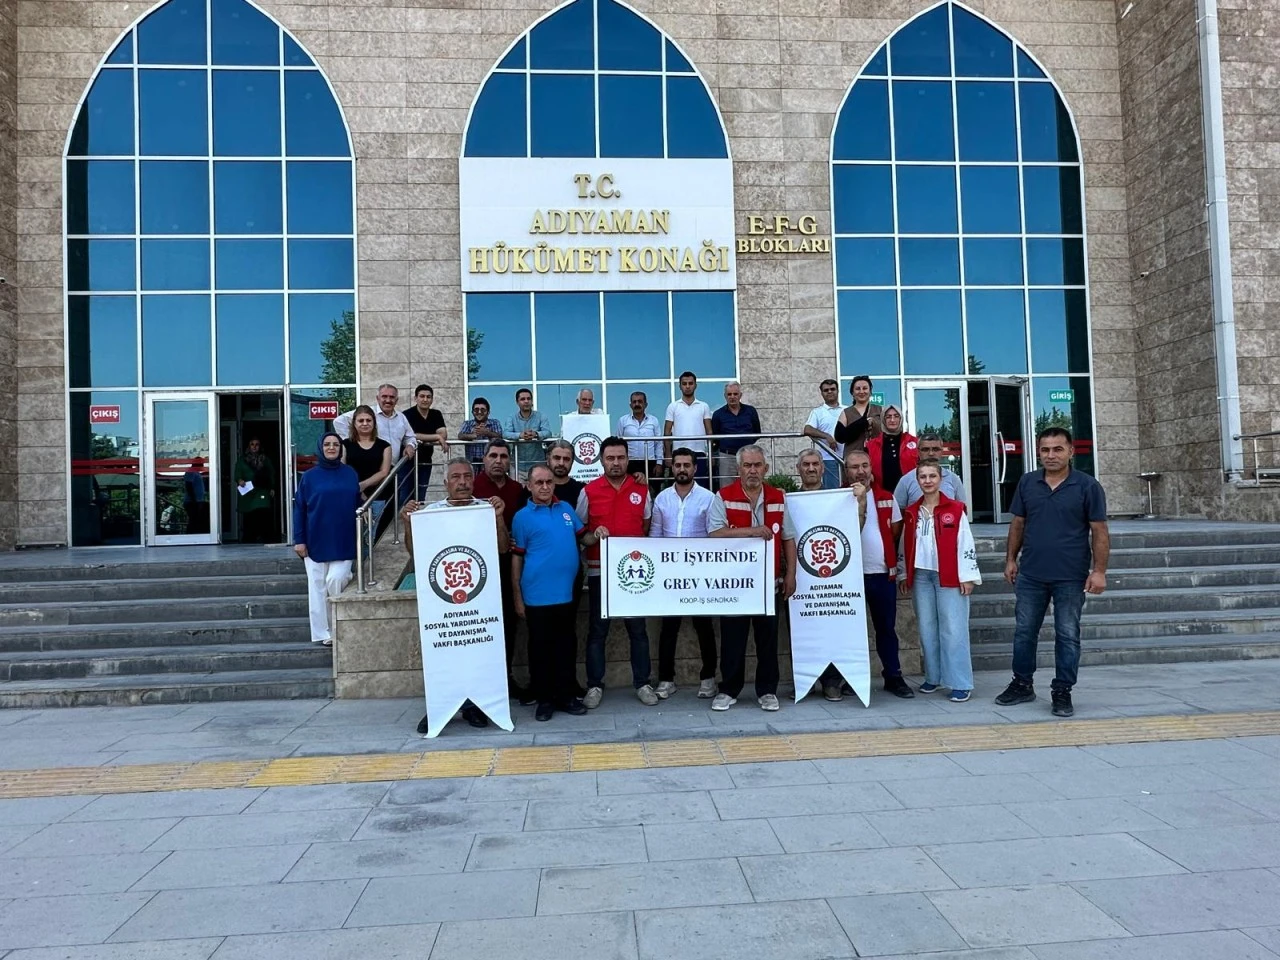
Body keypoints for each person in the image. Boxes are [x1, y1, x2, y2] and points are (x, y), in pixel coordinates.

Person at [996, 427, 1109, 718]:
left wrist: (1099, 571)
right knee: (1024, 632)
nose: (1051, 455)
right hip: (1031, 574)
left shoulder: (1087, 486)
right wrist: (1010, 559)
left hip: (1070, 576)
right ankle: (1022, 684)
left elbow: (1099, 531)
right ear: (1038, 453)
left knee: (1067, 634)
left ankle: (1062, 690)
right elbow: (1018, 523)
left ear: (1071, 451)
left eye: (1058, 449)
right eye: (1045, 450)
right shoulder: (1028, 482)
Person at [406, 456, 511, 732]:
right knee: (444, 658)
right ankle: (439, 707)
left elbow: (502, 548)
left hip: (479, 602)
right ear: (445, 483)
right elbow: (415, 552)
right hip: (443, 604)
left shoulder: (485, 509)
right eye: (456, 477)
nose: (462, 482)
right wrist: (407, 523)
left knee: (478, 656)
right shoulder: (432, 513)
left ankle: (474, 707)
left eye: (467, 477)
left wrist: (499, 518)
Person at [707, 444, 797, 712]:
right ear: (739, 469)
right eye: (747, 465)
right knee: (732, 641)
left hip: (769, 585)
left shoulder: (778, 497)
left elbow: (789, 538)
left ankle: (767, 691)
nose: (753, 470)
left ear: (766, 468)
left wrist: (791, 574)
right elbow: (714, 533)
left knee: (768, 642)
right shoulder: (723, 496)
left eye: (757, 465)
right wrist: (752, 531)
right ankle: (728, 690)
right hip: (734, 585)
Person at [823, 448, 915, 700]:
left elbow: (895, 534)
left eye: (865, 465)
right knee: (850, 632)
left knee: (886, 629)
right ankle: (853, 679)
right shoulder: (836, 498)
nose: (861, 471)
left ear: (871, 468)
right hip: (848, 578)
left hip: (881, 574)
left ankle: (893, 677)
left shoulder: (886, 497)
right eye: (854, 467)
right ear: (845, 471)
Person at [512, 463, 599, 721]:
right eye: (539, 482)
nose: (545, 487)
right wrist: (517, 596)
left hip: (566, 593)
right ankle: (545, 700)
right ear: (529, 485)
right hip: (536, 596)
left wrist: (600, 534)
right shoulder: (521, 517)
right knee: (540, 649)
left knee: (566, 646)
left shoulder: (567, 509)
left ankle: (565, 696)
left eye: (549, 482)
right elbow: (517, 558)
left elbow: (584, 538)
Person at [577, 436, 656, 708]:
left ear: (628, 459)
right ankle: (594, 686)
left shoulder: (642, 489)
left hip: (634, 575)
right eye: (610, 458)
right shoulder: (588, 491)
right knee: (598, 631)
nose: (616, 463)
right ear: (601, 460)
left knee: (638, 631)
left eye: (621, 458)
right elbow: (581, 533)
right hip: (600, 573)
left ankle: (643, 683)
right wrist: (594, 535)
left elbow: (645, 527)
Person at [900, 460, 981, 703]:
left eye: (932, 476)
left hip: (949, 574)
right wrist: (904, 573)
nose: (927, 481)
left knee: (953, 629)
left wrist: (967, 575)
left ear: (940, 479)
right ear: (917, 480)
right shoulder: (912, 512)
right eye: (923, 476)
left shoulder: (955, 509)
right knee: (926, 628)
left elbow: (965, 542)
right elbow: (905, 544)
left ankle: (960, 682)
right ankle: (933, 677)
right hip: (921, 576)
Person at [651, 448, 719, 700]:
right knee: (668, 629)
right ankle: (666, 680)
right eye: (677, 465)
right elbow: (655, 535)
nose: (682, 469)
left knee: (704, 628)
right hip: (670, 575)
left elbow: (714, 535)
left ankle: (708, 679)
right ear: (672, 467)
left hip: (700, 575)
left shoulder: (708, 498)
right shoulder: (662, 498)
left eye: (686, 465)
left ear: (695, 468)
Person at [472, 439, 532, 704]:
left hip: (509, 566)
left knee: (508, 625)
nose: (498, 461)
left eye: (504, 456)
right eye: (493, 455)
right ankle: (481, 686)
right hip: (478, 569)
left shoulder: (517, 489)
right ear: (484, 459)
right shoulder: (472, 487)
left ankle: (506, 680)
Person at [293, 432, 360, 647]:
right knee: (317, 587)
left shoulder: (350, 473)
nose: (332, 448)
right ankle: (324, 633)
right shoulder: (309, 477)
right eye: (327, 444)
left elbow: (357, 502)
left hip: (343, 538)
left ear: (341, 449)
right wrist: (299, 539)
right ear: (320, 448)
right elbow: (299, 509)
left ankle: (339, 625)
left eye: (336, 445)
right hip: (314, 538)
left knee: (336, 579)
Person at [333, 384, 417, 463]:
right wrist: (353, 442)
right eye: (384, 396)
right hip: (371, 465)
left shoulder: (401, 417)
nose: (388, 400)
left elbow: (410, 437)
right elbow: (339, 422)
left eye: (392, 397)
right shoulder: (367, 413)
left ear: (396, 400)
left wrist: (410, 445)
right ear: (377, 398)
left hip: (394, 467)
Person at [894, 433, 968, 510]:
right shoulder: (906, 481)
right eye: (925, 449)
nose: (931, 453)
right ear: (918, 452)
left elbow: (962, 510)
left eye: (935, 449)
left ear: (941, 451)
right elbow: (897, 513)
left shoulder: (953, 479)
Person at [664, 371, 713, 486]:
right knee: (680, 484)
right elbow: (667, 432)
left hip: (699, 452)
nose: (687, 386)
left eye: (690, 383)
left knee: (701, 485)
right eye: (684, 383)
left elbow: (709, 431)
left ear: (695, 385)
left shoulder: (704, 406)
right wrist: (668, 454)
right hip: (679, 452)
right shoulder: (673, 406)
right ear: (680, 386)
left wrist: (711, 454)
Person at [710, 381, 760, 489]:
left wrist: (746, 446)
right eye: (729, 394)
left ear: (740, 395)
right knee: (727, 488)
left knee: (750, 486)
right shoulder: (718, 414)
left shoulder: (751, 411)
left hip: (748, 456)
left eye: (735, 394)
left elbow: (757, 432)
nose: (732, 397)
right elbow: (715, 438)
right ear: (725, 396)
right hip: (727, 456)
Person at [403, 383, 447, 501]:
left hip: (426, 461)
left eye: (428, 397)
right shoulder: (407, 414)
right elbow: (410, 435)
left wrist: (432, 437)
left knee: (420, 495)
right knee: (405, 495)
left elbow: (443, 434)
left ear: (432, 399)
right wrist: (436, 436)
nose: (425, 399)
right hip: (408, 460)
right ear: (415, 398)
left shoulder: (436, 414)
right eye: (422, 396)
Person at [341, 405, 393, 504]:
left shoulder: (385, 446)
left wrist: (363, 485)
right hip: (351, 494)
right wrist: (357, 489)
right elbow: (342, 470)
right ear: (354, 423)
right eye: (361, 421)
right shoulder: (345, 445)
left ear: (374, 423)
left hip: (377, 496)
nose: (365, 423)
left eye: (368, 420)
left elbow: (384, 472)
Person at [802, 378, 845, 489]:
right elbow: (807, 429)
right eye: (826, 390)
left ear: (838, 391)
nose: (829, 392)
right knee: (833, 491)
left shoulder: (847, 410)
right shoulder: (817, 412)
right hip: (829, 459)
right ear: (821, 393)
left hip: (848, 457)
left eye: (832, 389)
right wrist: (827, 436)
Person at [867, 405, 917, 493]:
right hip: (882, 494)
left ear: (901, 419)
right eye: (888, 417)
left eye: (896, 416)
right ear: (883, 420)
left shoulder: (914, 441)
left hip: (911, 492)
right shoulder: (871, 445)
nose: (892, 420)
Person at [234, 436, 276, 543]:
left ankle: (263, 537)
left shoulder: (265, 460)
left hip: (262, 490)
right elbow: (237, 473)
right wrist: (239, 480)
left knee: (262, 512)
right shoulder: (242, 460)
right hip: (248, 491)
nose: (254, 447)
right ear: (249, 446)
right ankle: (250, 538)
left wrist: (272, 487)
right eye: (252, 444)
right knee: (250, 515)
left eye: (257, 444)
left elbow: (271, 474)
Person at [618, 391, 664, 483]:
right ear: (630, 405)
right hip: (630, 463)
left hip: (650, 462)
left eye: (640, 401)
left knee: (652, 489)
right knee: (630, 489)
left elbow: (658, 443)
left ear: (646, 404)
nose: (637, 404)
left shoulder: (653, 420)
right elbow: (619, 444)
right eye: (634, 402)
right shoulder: (623, 421)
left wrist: (659, 463)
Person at [504, 388, 551, 478]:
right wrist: (520, 435)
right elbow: (505, 434)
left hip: (538, 465)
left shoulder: (541, 416)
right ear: (517, 402)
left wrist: (536, 434)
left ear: (532, 401)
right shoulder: (511, 417)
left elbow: (548, 433)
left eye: (528, 399)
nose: (526, 401)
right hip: (517, 465)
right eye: (523, 399)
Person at [833, 375, 883, 453]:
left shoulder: (881, 410)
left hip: (877, 455)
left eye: (865, 388)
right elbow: (839, 437)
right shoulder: (846, 412)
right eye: (857, 389)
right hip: (853, 456)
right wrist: (863, 423)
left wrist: (874, 423)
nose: (861, 392)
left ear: (870, 392)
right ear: (852, 393)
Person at [458, 397, 504, 469]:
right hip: (472, 462)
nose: (479, 412)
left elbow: (500, 436)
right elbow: (460, 436)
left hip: (491, 461)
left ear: (488, 412)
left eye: (483, 410)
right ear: (472, 412)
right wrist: (473, 435)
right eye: (476, 410)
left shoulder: (495, 423)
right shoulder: (467, 424)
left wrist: (487, 433)